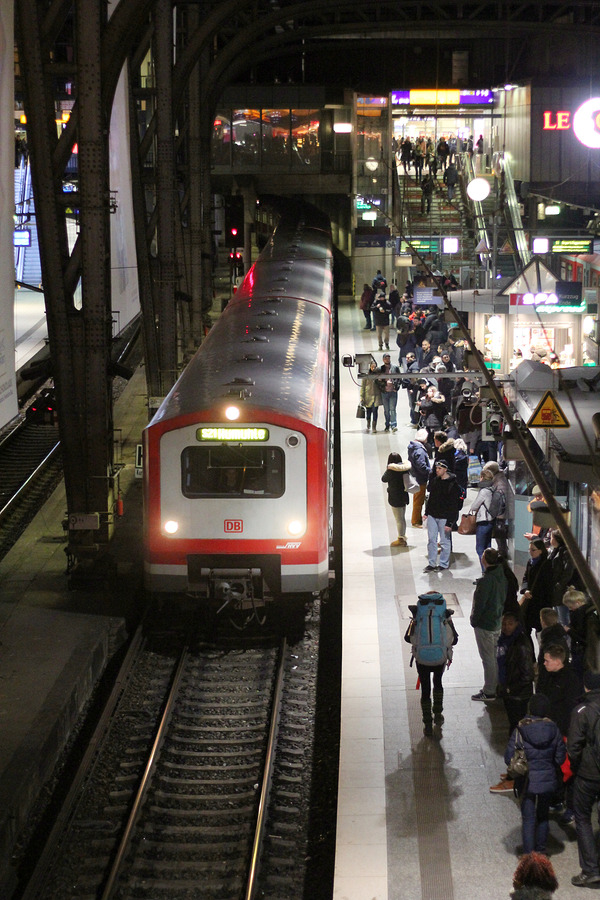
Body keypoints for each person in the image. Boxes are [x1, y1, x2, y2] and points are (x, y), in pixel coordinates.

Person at [503, 694, 566, 856]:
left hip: (526, 782)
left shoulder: (520, 729)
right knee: (543, 816)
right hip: (547, 781)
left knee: (529, 818)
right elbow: (560, 758)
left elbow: (508, 757)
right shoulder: (554, 729)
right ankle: (541, 851)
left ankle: (529, 855)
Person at [405, 590, 457, 736]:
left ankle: (427, 721)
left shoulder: (419, 615)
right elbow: (455, 639)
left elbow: (407, 638)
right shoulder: (443, 615)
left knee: (425, 689)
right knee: (438, 683)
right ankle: (438, 713)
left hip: (421, 660)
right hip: (440, 658)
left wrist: (414, 620)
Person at [567, 671, 600, 888]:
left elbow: (573, 747)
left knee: (582, 818)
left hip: (588, 775)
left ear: (586, 687)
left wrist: (577, 765)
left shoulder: (582, 710)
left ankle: (590, 870)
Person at [471, 547, 507, 701]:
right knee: (494, 656)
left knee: (488, 658)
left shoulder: (487, 581)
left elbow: (480, 604)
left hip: (486, 624)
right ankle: (497, 685)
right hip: (497, 621)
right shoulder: (502, 576)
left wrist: (474, 620)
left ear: (484, 560)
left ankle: (489, 690)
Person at [494, 612, 535, 745]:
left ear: (517, 624)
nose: (506, 627)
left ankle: (517, 753)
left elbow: (528, 674)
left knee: (517, 725)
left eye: (510, 624)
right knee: (513, 723)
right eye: (504, 624)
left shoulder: (520, 644)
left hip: (518, 694)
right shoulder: (505, 641)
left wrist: (510, 689)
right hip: (509, 690)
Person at [423, 459, 462, 572]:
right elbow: (431, 499)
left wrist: (450, 522)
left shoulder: (453, 485)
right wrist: (426, 513)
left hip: (445, 517)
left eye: (439, 468)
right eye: (436, 468)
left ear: (445, 469)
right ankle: (432, 563)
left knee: (445, 542)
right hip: (433, 515)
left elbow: (454, 506)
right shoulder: (435, 481)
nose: (437, 470)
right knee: (431, 540)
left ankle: (443, 564)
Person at [519, 539, 554, 638]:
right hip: (530, 601)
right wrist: (525, 590)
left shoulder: (546, 564)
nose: (530, 552)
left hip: (540, 602)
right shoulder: (530, 562)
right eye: (529, 549)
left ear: (540, 551)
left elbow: (548, 587)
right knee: (525, 630)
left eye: (533, 550)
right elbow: (525, 578)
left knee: (540, 631)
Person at [549, 529, 581, 625]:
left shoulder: (565, 552)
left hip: (562, 590)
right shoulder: (556, 551)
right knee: (558, 615)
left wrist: (560, 584)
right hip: (556, 589)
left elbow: (568, 571)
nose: (550, 540)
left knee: (563, 617)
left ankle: (566, 638)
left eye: (551, 537)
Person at [467, 466, 495, 570]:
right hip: (491, 521)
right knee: (487, 548)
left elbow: (474, 506)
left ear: (482, 477)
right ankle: (489, 571)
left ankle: (485, 572)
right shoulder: (492, 488)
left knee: (480, 549)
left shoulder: (484, 491)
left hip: (483, 522)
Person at [381, 452, 411, 547]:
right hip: (404, 496)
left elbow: (383, 479)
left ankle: (401, 539)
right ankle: (403, 536)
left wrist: (388, 469)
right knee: (402, 518)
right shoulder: (405, 469)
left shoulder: (391, 471)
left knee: (399, 519)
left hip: (395, 497)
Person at [407, 428, 431, 528]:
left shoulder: (413, 447)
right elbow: (421, 466)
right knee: (418, 500)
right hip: (420, 479)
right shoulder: (419, 450)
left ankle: (416, 518)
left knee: (417, 499)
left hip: (416, 477)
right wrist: (429, 471)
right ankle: (416, 521)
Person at [376, 353, 400, 433]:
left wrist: (397, 387)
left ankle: (393, 425)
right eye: (386, 358)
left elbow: (399, 378)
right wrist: (381, 386)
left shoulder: (395, 367)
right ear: (383, 360)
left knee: (392, 409)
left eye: (388, 358)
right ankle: (387, 424)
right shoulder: (380, 369)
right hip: (384, 392)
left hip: (393, 391)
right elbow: (376, 380)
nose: (387, 359)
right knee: (386, 410)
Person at [360, 360, 382, 433]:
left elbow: (382, 384)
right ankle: (368, 422)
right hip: (368, 396)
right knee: (368, 412)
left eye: (375, 367)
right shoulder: (366, 375)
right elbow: (363, 387)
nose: (373, 368)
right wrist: (361, 397)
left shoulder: (379, 375)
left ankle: (374, 427)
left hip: (376, 396)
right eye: (372, 367)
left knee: (375, 411)